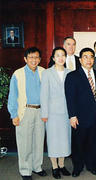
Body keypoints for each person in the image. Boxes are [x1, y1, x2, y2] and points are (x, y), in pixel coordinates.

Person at [7, 47, 47, 180]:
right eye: (31, 57)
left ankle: (37, 167)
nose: (34, 60)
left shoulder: (43, 72)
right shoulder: (18, 74)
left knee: (39, 140)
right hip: (25, 111)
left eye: (36, 57)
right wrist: (14, 114)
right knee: (25, 143)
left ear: (40, 59)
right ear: (25, 59)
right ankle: (25, 170)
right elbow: (13, 96)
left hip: (40, 111)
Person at [65, 48, 96, 177]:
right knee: (78, 143)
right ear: (80, 59)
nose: (89, 59)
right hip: (79, 116)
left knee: (94, 142)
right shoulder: (72, 76)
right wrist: (72, 116)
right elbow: (70, 98)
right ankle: (77, 167)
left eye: (91, 57)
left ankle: (92, 165)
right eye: (85, 57)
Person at [40, 47, 71, 179]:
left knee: (64, 139)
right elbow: (43, 95)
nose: (60, 58)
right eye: (57, 55)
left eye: (63, 55)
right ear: (53, 58)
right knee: (53, 140)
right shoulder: (47, 73)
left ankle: (62, 165)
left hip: (67, 112)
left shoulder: (70, 72)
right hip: (52, 113)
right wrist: (44, 114)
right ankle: (54, 167)